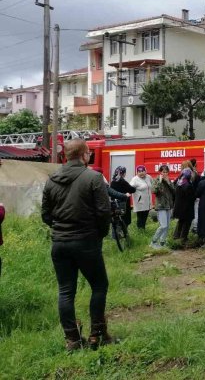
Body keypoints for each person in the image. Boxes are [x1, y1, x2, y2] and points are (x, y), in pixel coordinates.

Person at [41, 139, 113, 351]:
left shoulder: (51, 180)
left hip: (60, 243)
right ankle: (97, 335)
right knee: (99, 285)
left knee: (65, 291)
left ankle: (72, 340)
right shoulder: (93, 177)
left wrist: (60, 228)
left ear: (66, 156)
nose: (89, 156)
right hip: (86, 241)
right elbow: (103, 212)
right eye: (89, 153)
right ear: (84, 155)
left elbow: (45, 215)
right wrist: (99, 234)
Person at [151, 165, 175, 249]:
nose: (165, 174)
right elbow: (154, 190)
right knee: (163, 225)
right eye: (163, 172)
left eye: (166, 172)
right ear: (160, 172)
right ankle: (153, 241)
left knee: (167, 226)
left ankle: (162, 242)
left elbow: (174, 191)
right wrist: (160, 182)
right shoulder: (157, 180)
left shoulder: (168, 180)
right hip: (161, 205)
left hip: (168, 205)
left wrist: (168, 182)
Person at [173, 168, 196, 245]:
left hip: (179, 207)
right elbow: (191, 198)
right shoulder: (188, 185)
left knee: (181, 221)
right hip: (186, 208)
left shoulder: (179, 182)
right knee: (187, 223)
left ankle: (176, 236)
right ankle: (183, 238)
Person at [129, 165, 153, 229]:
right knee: (140, 217)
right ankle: (140, 230)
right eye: (139, 171)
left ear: (145, 171)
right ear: (137, 172)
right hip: (139, 201)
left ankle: (143, 229)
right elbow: (130, 188)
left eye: (143, 171)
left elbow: (152, 184)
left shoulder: (149, 177)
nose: (141, 173)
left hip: (147, 201)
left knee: (145, 216)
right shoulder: (135, 179)